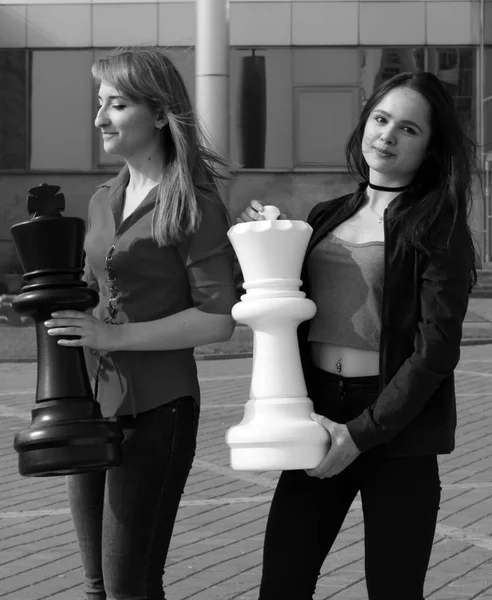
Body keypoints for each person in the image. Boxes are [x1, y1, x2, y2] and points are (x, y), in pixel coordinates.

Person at [239, 71, 478, 600]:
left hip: (398, 428)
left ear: (430, 147)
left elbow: (436, 352)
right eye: (381, 118)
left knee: (393, 591)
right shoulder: (326, 216)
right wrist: (266, 236)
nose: (388, 135)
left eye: (409, 129)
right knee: (282, 583)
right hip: (319, 414)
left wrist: (363, 433)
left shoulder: (438, 225)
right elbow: (277, 300)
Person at [44, 48, 237, 600]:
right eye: (100, 103)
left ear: (159, 114)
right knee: (97, 586)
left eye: (117, 104)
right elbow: (94, 288)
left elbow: (218, 319)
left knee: (131, 586)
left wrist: (116, 336)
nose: (100, 118)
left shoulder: (193, 204)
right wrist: (44, 301)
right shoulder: (104, 198)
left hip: (158, 411)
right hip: (87, 408)